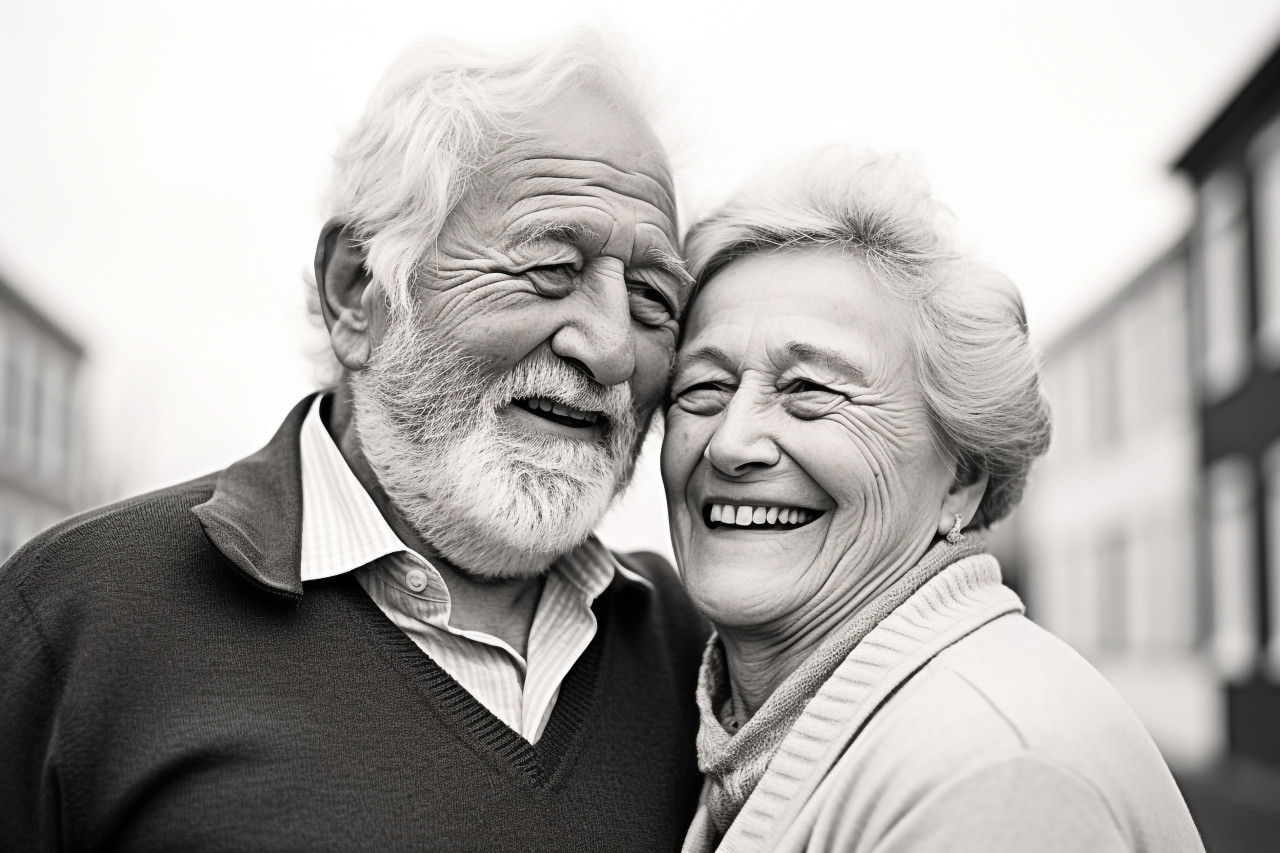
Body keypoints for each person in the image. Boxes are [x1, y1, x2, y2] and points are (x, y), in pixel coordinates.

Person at [0, 32, 708, 851]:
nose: (612, 347)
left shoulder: (702, 661)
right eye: (549, 268)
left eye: (653, 297)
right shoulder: (74, 618)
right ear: (357, 292)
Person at [661, 151, 1205, 853]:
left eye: (810, 390)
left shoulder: (995, 773)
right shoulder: (742, 731)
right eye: (702, 388)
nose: (731, 444)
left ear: (962, 477)